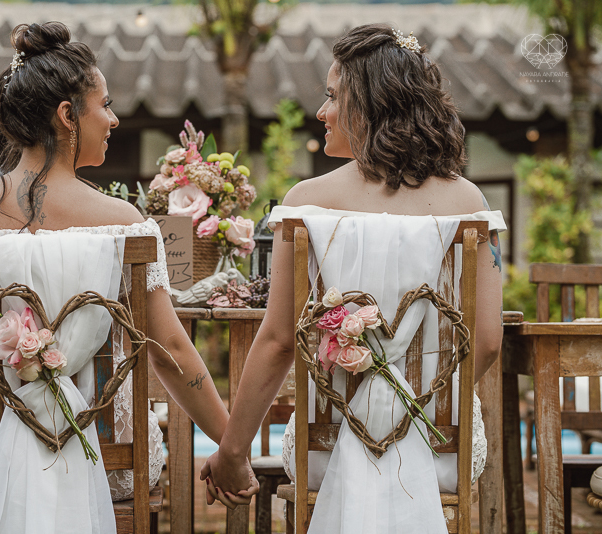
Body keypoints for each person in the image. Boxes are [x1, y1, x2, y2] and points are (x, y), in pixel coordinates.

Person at [0, 21, 249, 532]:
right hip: (101, 448)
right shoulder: (122, 224)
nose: (113, 119)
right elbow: (172, 353)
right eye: (106, 105)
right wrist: (230, 448)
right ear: (68, 115)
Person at [201, 23, 505, 531]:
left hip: (330, 439)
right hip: (438, 444)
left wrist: (233, 451)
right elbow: (489, 342)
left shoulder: (306, 202)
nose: (321, 113)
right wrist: (414, 412)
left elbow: (278, 341)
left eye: (332, 96)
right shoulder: (469, 203)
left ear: (371, 103)